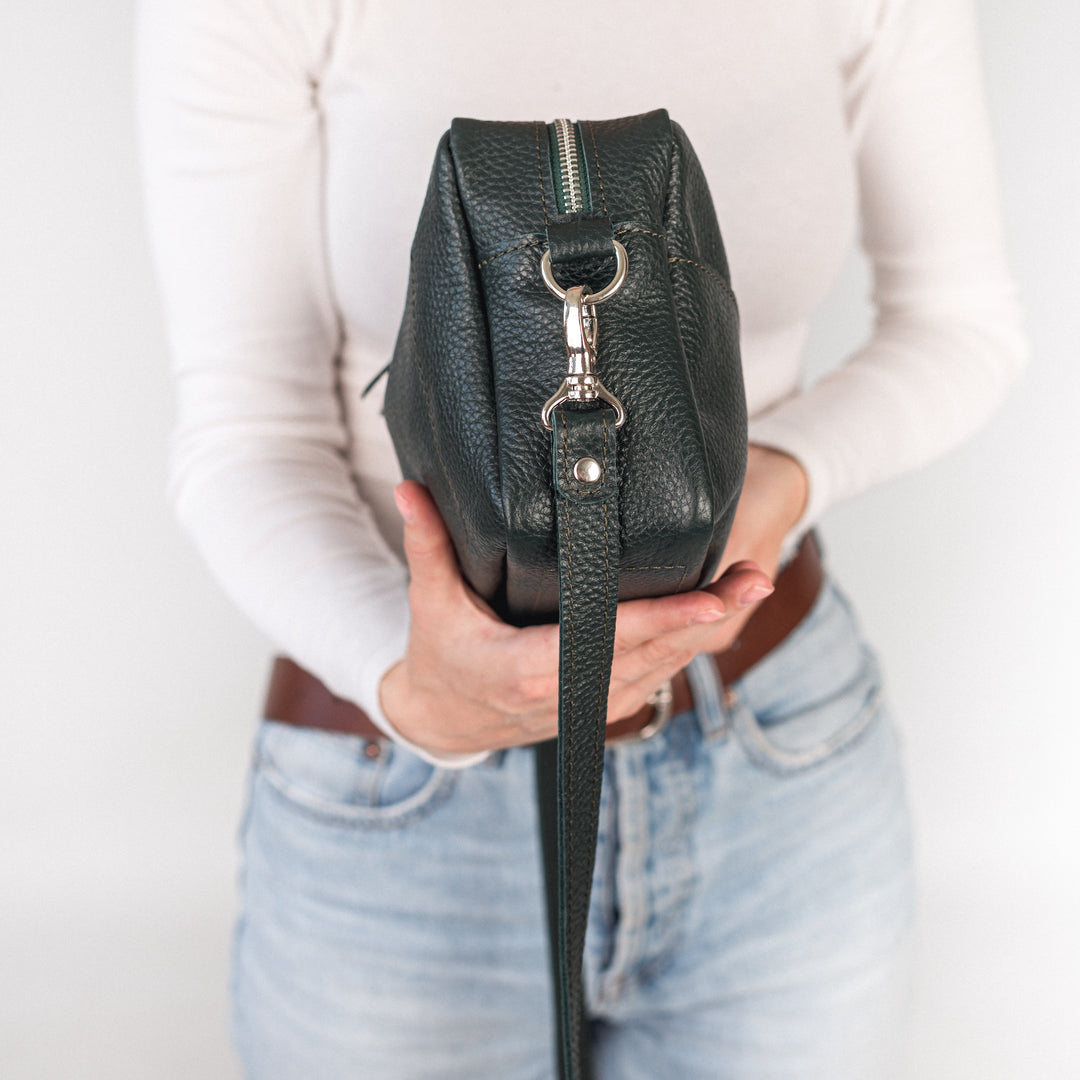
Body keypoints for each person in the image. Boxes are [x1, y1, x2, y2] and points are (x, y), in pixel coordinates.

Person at [135, 1, 1027, 1076]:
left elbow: (959, 324)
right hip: (399, 783)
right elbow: (247, 433)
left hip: (774, 763)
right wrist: (416, 687)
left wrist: (779, 483)